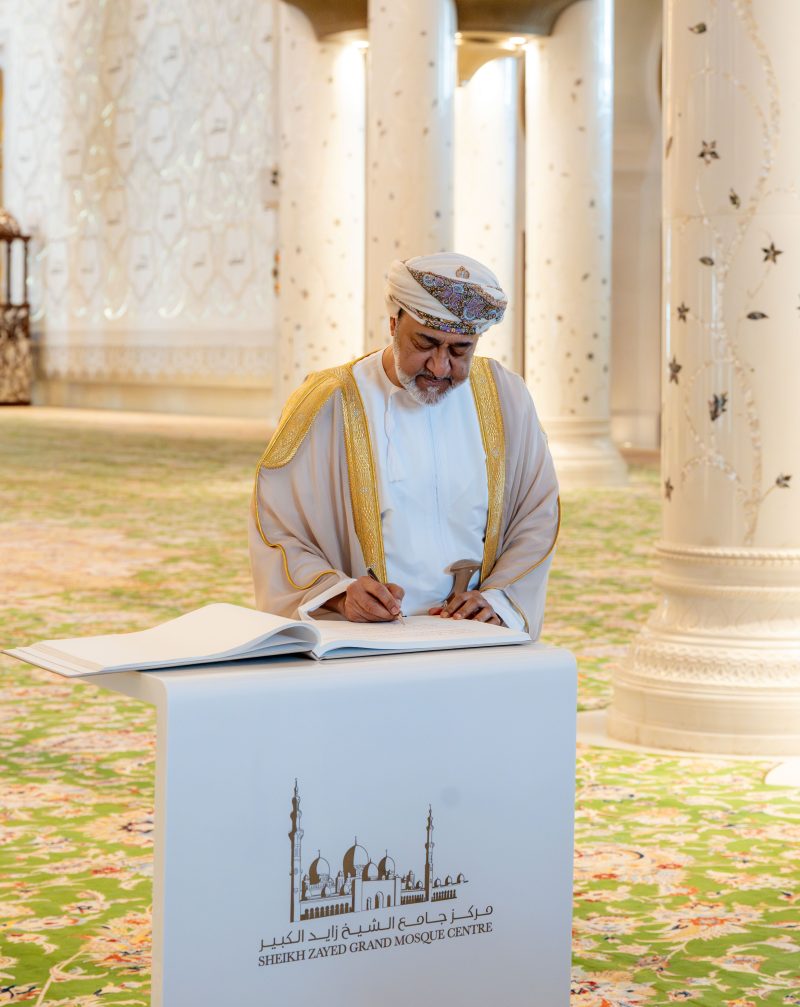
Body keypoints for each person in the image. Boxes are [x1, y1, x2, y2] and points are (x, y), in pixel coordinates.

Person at [248, 252, 559, 636]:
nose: (440, 366)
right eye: (426, 343)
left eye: (460, 350)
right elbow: (279, 525)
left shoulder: (504, 395)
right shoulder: (329, 401)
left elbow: (537, 513)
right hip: (365, 638)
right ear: (393, 323)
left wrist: (498, 597)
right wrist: (339, 594)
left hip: (475, 635)